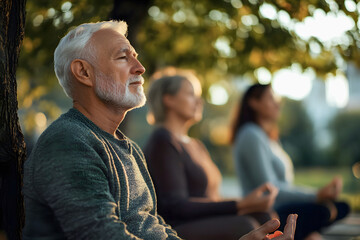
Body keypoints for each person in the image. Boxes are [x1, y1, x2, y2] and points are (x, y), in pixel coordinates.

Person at [22, 20, 297, 240]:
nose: (140, 68)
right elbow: (102, 234)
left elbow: (157, 229)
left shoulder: (127, 148)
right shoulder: (68, 142)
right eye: (123, 57)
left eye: (136, 57)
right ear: (84, 73)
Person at [144, 69, 280, 240]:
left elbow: (213, 198)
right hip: (175, 228)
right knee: (245, 226)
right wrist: (241, 204)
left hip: (205, 222)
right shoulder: (162, 141)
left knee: (264, 217)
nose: (199, 101)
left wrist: (250, 204)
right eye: (191, 94)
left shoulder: (196, 145)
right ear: (168, 99)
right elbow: (175, 206)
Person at [230, 83, 350, 240]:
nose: (277, 103)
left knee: (338, 208)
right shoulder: (251, 134)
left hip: (282, 207)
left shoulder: (267, 137)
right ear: (254, 102)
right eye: (271, 98)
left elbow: (285, 186)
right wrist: (316, 195)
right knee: (326, 210)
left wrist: (319, 195)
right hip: (268, 212)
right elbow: (270, 189)